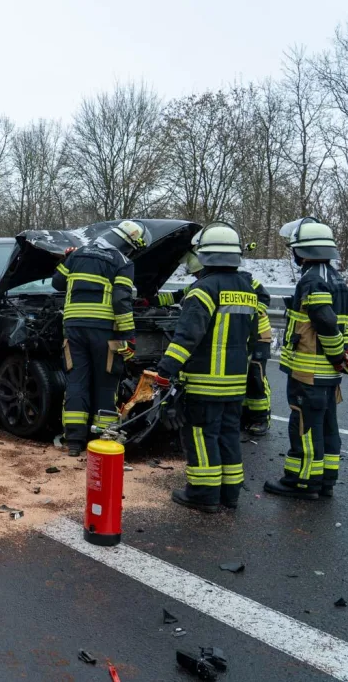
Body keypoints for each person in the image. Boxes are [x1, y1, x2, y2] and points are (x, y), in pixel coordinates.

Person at [154, 222, 259, 513]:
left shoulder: (203, 290)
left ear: (204, 255)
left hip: (205, 381)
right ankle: (229, 494)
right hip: (235, 382)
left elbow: (187, 338)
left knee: (201, 436)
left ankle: (203, 494)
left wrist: (165, 370)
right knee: (228, 435)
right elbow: (250, 336)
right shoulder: (247, 289)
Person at [264, 218, 348, 500]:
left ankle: (302, 482)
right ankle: (325, 481)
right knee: (328, 426)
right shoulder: (337, 280)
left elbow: (325, 321)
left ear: (302, 251)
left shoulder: (312, 280)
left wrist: (336, 355)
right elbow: (345, 324)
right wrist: (347, 351)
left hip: (309, 372)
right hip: (328, 375)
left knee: (304, 426)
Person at [143, 237, 274, 436]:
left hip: (255, 335)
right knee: (232, 379)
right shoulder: (204, 284)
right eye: (195, 274)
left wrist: (248, 314)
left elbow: (263, 297)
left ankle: (260, 418)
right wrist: (148, 301)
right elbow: (176, 296)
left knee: (255, 376)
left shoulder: (245, 280)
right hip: (231, 336)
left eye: (198, 272)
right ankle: (239, 415)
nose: (197, 276)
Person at [52, 220, 146, 457]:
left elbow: (57, 282)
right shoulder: (122, 262)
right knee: (106, 383)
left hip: (73, 329)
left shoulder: (77, 254)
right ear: (130, 245)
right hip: (105, 332)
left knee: (76, 381)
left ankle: (74, 441)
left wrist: (66, 259)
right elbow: (121, 301)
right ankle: (101, 440)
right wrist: (129, 337)